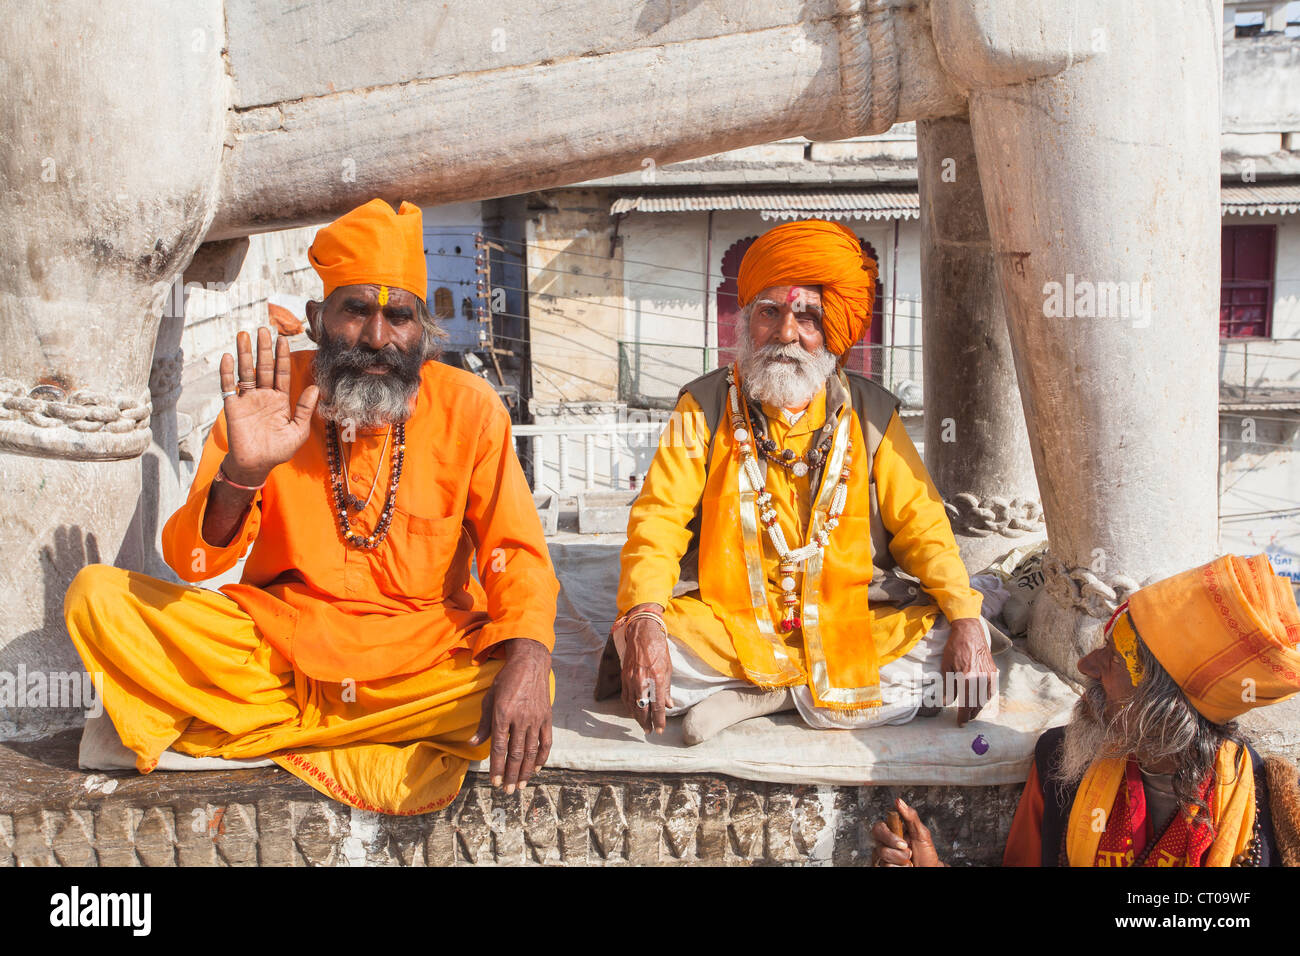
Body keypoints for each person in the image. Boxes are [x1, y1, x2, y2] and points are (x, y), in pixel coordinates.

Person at [63, 198, 559, 815]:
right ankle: (358, 731)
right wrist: (244, 472)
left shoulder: (471, 409)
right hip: (279, 649)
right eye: (356, 311)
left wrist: (531, 659)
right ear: (318, 319)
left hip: (419, 660)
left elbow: (516, 555)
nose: (378, 338)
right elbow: (191, 561)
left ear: (422, 331)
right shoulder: (271, 395)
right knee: (98, 599)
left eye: (398, 316)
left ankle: (248, 726)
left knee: (523, 676)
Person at [609, 219, 999, 743]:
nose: (787, 333)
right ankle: (814, 693)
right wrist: (646, 617)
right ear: (746, 323)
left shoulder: (872, 413)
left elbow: (922, 524)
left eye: (807, 317)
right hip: (729, 622)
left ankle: (763, 694)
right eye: (770, 312)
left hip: (849, 617)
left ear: (829, 331)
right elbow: (658, 517)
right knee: (648, 641)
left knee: (952, 639)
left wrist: (966, 619)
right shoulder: (698, 407)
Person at [870, 554, 1300, 867]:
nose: (1085, 667)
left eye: (1111, 660)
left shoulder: (1263, 807)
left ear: (1167, 707)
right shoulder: (1062, 760)